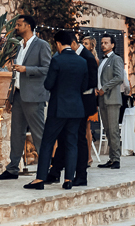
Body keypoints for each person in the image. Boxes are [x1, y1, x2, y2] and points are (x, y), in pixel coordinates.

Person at [24, 30, 89, 190]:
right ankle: (68, 180)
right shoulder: (82, 61)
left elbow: (48, 84)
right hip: (76, 108)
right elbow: (84, 85)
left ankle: (40, 179)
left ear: (58, 44)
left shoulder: (57, 60)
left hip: (58, 108)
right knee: (71, 143)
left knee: (47, 142)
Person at [0, 15, 52, 180]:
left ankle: (46, 168)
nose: (16, 27)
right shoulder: (20, 46)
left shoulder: (42, 45)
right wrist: (10, 96)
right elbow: (17, 72)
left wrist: (26, 69)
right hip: (19, 94)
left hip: (34, 95)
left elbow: (47, 68)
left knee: (38, 134)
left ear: (28, 26)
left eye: (19, 25)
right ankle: (13, 168)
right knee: (16, 133)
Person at [46, 31, 98, 186]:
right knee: (64, 137)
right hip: (71, 102)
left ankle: (81, 174)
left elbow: (92, 81)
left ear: (74, 44)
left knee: (79, 139)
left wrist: (71, 86)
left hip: (81, 103)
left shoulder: (87, 58)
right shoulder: (74, 56)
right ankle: (55, 172)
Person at [96, 34, 124, 169]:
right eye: (102, 43)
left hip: (112, 98)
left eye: (106, 43)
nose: (103, 45)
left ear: (112, 45)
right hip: (102, 99)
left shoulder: (116, 59)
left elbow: (119, 77)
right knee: (107, 130)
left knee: (113, 130)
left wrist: (104, 88)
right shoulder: (102, 61)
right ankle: (112, 158)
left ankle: (116, 159)